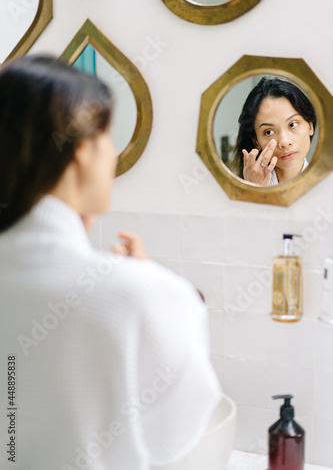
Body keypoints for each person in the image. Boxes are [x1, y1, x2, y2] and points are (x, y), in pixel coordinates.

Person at [0, 56, 222, 470]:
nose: (114, 154)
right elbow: (177, 435)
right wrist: (145, 285)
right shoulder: (140, 295)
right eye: (107, 136)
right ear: (82, 149)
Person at [228, 77, 316, 186]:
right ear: (256, 141)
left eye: (292, 124)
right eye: (268, 132)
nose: (284, 142)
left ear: (310, 126)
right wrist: (254, 189)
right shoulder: (236, 190)